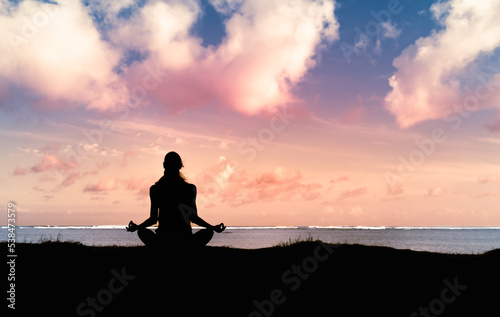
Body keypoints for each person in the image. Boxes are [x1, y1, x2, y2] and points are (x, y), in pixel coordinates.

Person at [126, 151, 225, 249]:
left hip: (163, 240)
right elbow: (193, 217)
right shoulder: (189, 188)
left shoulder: (156, 189)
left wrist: (137, 227)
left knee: (142, 231)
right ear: (180, 166)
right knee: (208, 232)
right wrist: (212, 227)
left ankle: (162, 249)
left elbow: (153, 219)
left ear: (164, 165)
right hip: (185, 240)